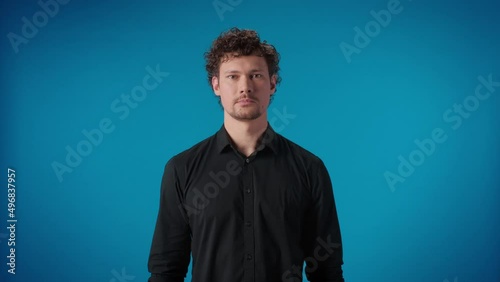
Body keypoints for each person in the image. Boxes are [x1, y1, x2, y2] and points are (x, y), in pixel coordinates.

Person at [147, 27, 344, 282]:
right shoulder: (182, 169)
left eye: (256, 75)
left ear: (272, 84)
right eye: (232, 76)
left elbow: (327, 272)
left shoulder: (310, 169)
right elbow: (165, 271)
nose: (245, 87)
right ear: (216, 85)